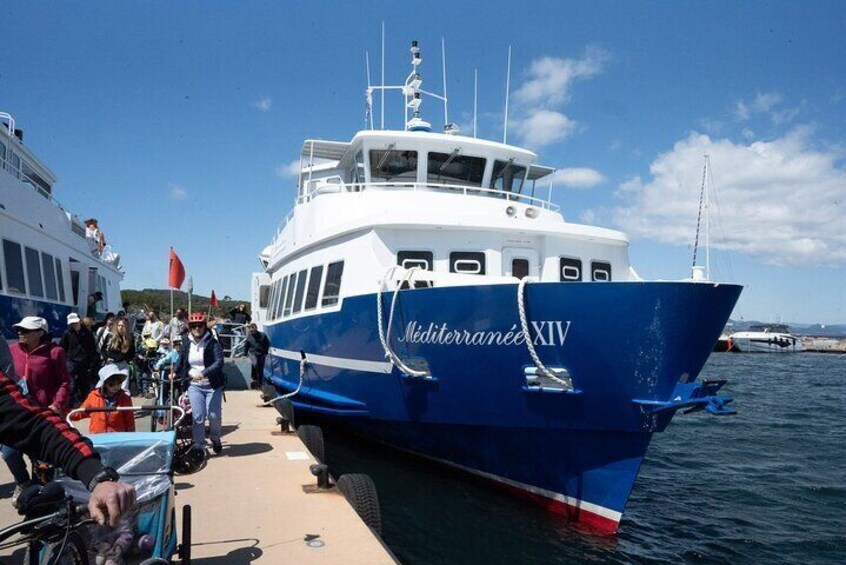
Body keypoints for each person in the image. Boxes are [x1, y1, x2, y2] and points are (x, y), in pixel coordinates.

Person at [1, 361, 135, 525]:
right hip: (99, 437)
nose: (115, 386)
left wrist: (96, 475)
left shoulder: (125, 399)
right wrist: (66, 413)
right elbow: (79, 413)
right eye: (111, 382)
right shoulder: (94, 397)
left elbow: (32, 424)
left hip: (115, 443)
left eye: (118, 382)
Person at [8, 317, 73, 505]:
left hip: (42, 414)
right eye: (19, 329)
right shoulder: (12, 351)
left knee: (41, 463)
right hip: (17, 413)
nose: (20, 333)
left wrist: (56, 405)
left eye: (26, 330)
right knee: (10, 453)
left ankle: (42, 500)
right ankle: (23, 482)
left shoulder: (55, 352)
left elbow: (64, 382)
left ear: (40, 333)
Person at [173, 312, 225, 454]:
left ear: (204, 326)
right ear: (190, 327)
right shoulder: (186, 341)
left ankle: (215, 438)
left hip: (212, 384)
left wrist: (204, 373)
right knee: (198, 417)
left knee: (214, 416)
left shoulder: (212, 342)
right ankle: (199, 447)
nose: (197, 329)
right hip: (194, 385)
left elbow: (219, 362)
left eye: (200, 326)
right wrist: (175, 372)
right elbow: (181, 359)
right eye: (193, 326)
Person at [71, 364, 135, 434]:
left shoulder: (125, 398)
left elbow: (129, 420)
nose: (116, 386)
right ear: (104, 384)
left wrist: (131, 435)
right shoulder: (93, 396)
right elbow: (81, 412)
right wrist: (64, 413)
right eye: (111, 384)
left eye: (119, 383)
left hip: (118, 436)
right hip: (98, 436)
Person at [60, 312, 99, 402]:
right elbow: (62, 348)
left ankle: (84, 405)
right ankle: (69, 405)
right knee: (71, 386)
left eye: (76, 323)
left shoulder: (87, 333)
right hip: (71, 363)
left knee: (84, 386)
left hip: (85, 364)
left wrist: (91, 363)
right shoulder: (67, 333)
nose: (74, 325)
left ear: (80, 322)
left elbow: (92, 349)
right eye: (72, 324)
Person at [102, 318, 135, 392]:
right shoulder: (110, 336)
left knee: (123, 388)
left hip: (122, 365)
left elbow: (132, 352)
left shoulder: (129, 338)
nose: (120, 327)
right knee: (107, 386)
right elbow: (103, 350)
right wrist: (106, 358)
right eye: (119, 325)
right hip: (110, 364)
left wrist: (127, 360)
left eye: (122, 326)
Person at [243, 323, 270, 389]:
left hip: (261, 354)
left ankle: (260, 384)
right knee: (255, 364)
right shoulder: (249, 336)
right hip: (253, 353)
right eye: (251, 330)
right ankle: (254, 379)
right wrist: (244, 354)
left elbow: (267, 344)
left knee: (260, 369)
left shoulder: (263, 335)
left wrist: (265, 352)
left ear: (256, 328)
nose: (252, 331)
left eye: (253, 329)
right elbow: (246, 346)